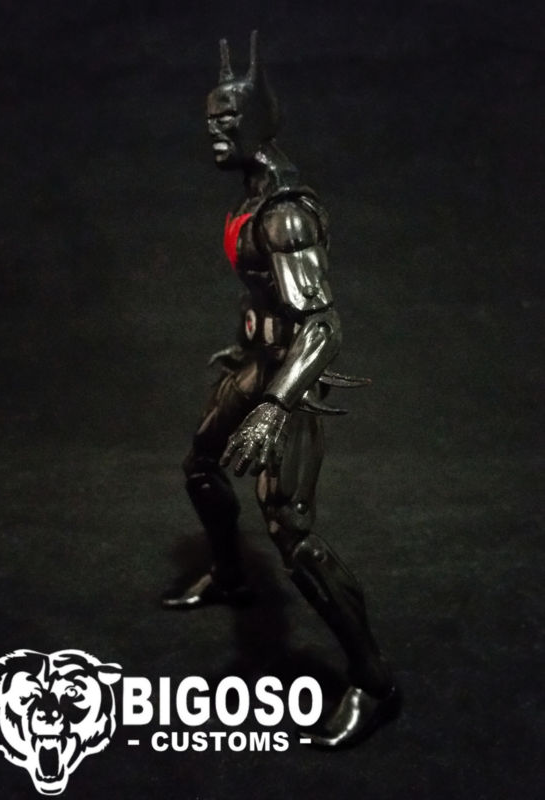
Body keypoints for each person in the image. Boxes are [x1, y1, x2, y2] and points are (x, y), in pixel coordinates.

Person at [162, 31, 399, 747]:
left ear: (261, 124)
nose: (215, 131)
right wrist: (246, 347)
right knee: (200, 467)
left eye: (229, 120)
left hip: (288, 379)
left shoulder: (284, 212)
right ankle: (231, 577)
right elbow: (269, 291)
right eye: (211, 120)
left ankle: (374, 683)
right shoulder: (255, 194)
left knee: (291, 531)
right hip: (258, 363)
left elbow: (322, 323)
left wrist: (273, 406)